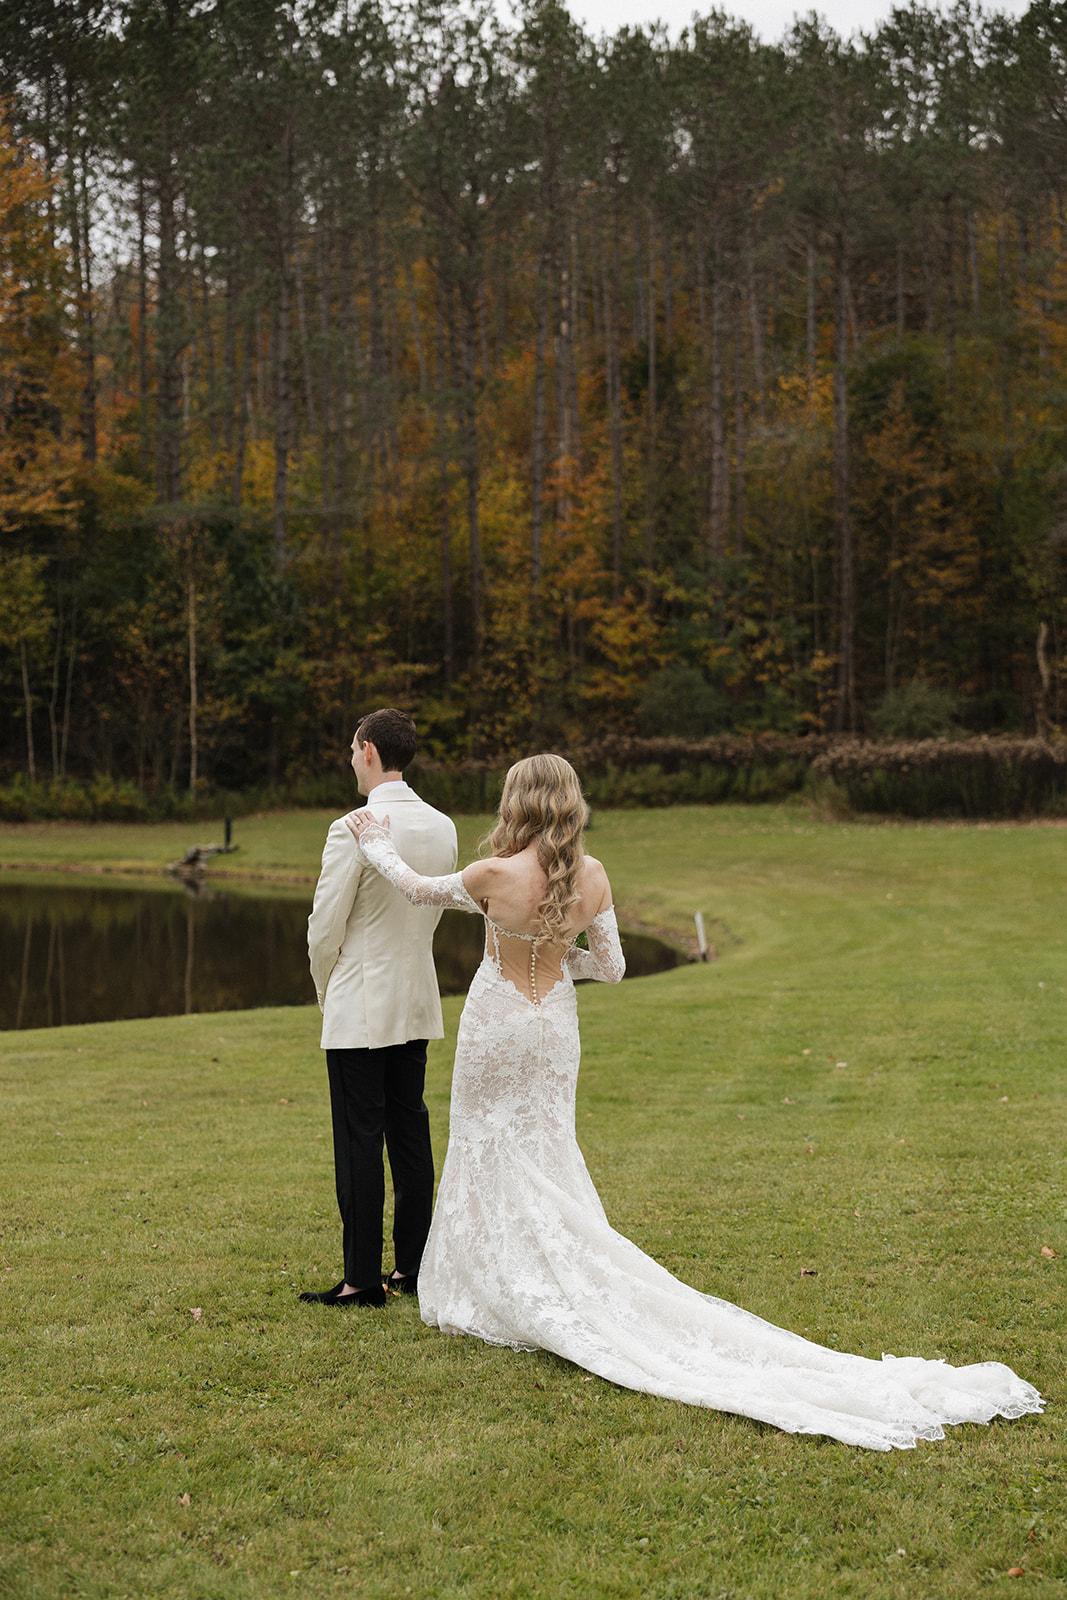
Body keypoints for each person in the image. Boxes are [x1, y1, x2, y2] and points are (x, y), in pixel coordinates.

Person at [344, 751, 1043, 1449]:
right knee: (546, 1145)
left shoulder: (491, 874)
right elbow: (612, 969)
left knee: (483, 1140)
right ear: (571, 806)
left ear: (515, 804)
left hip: (496, 1021)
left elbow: (412, 888)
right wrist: (562, 961)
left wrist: (373, 839)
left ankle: (487, 1283)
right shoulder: (591, 877)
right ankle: (547, 1264)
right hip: (552, 1023)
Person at [302, 708, 457, 1307]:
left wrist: (326, 989)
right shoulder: (442, 826)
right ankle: (414, 1269)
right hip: (416, 996)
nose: (348, 759)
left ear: (368, 751)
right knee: (410, 1132)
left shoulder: (354, 826)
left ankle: (362, 1278)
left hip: (359, 1004)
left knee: (359, 1139)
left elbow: (324, 926)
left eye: (351, 749)